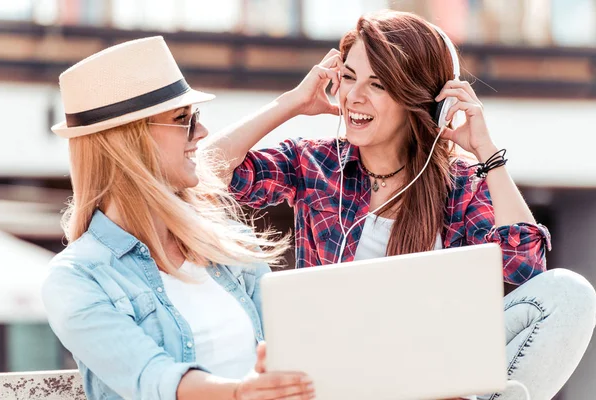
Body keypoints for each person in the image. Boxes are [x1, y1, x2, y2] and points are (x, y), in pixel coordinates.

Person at [205, 10, 596, 400]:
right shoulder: (314, 165)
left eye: (377, 84)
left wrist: (486, 152)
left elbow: (525, 270)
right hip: (339, 384)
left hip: (433, 384)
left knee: (570, 293)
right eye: (349, 77)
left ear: (417, 97)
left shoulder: (459, 185)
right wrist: (290, 103)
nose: (354, 97)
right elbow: (204, 172)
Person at [41, 36, 315, 400]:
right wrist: (240, 393)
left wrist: (292, 103)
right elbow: (151, 379)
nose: (201, 132)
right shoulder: (77, 278)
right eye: (183, 120)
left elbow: (288, 347)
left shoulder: (223, 243)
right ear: (131, 143)